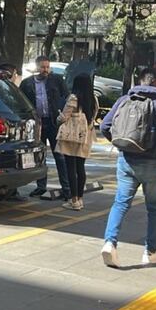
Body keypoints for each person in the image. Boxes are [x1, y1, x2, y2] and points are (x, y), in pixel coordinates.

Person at [99, 67, 156, 268]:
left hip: (126, 160)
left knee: (120, 203)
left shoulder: (124, 100)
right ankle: (150, 252)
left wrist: (120, 144)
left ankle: (110, 243)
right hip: (153, 163)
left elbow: (104, 126)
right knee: (154, 207)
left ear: (141, 81)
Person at [19, 56, 70, 199]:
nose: (46, 70)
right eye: (42, 67)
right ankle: (41, 186)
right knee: (39, 157)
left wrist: (63, 116)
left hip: (53, 123)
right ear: (36, 67)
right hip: (37, 125)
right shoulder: (27, 83)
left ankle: (66, 188)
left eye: (47, 67)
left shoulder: (57, 80)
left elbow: (67, 97)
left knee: (59, 156)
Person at [55, 75, 96, 211]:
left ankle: (73, 200)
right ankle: (80, 199)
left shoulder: (73, 98)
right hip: (86, 137)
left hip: (71, 137)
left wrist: (57, 120)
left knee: (70, 168)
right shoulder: (93, 99)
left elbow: (64, 117)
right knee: (80, 168)